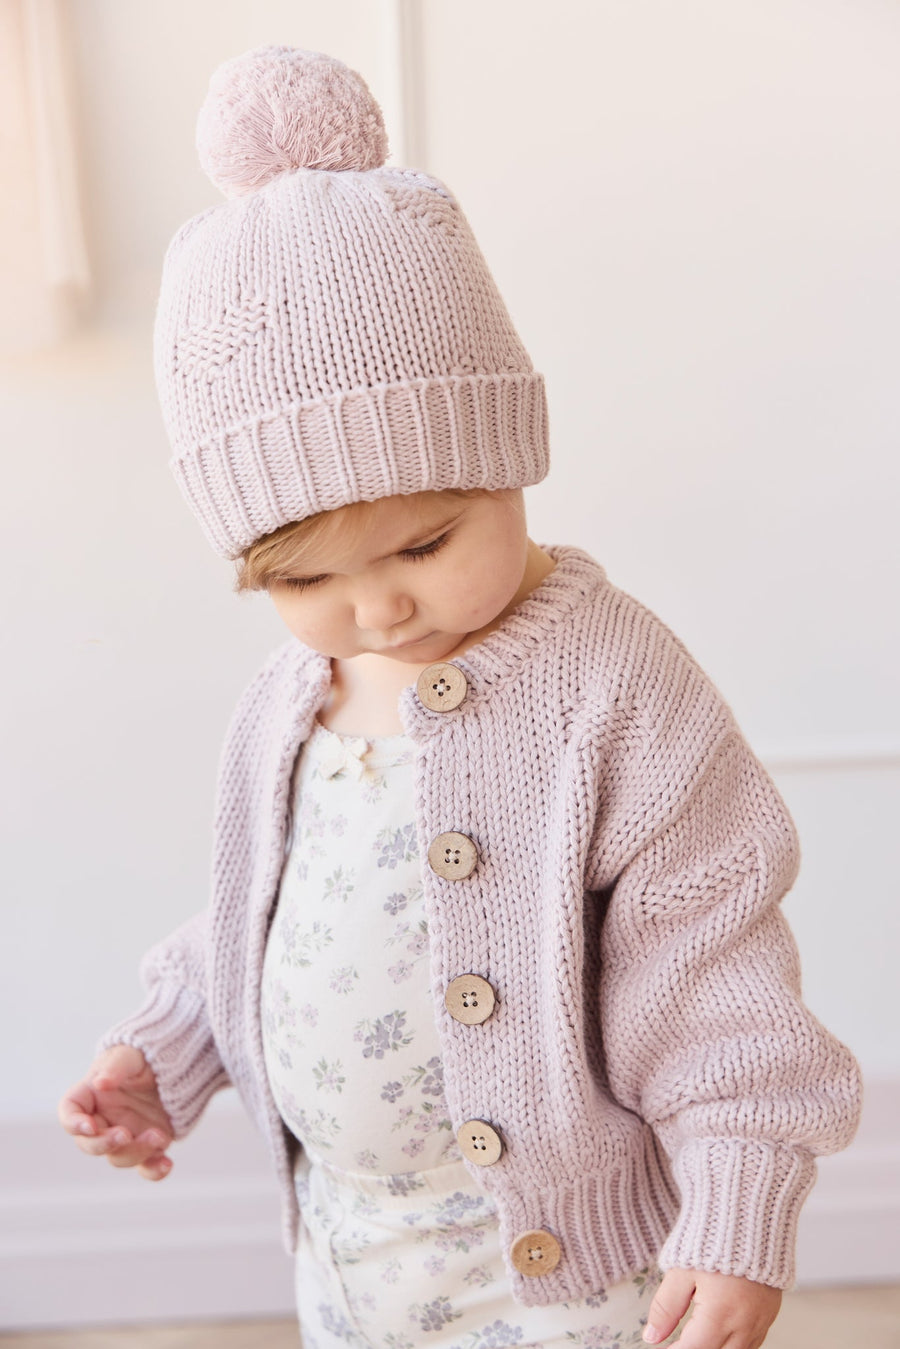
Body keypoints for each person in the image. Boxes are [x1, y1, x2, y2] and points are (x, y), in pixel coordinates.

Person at [57, 45, 862, 1349]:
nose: (378, 609)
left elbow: (710, 960)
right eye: (306, 577)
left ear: (509, 460)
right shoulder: (291, 700)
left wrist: (738, 1198)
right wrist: (168, 1049)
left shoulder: (608, 684)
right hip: (354, 1258)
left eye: (425, 545)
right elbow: (268, 918)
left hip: (563, 1276)